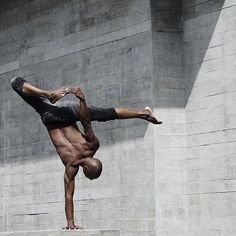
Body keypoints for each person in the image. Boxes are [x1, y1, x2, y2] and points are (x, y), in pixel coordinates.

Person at [11, 76, 162, 230]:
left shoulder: (91, 147)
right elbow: (68, 195)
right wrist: (70, 223)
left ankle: (142, 114)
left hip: (70, 113)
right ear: (85, 170)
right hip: (50, 118)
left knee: (106, 114)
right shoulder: (71, 165)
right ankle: (46, 94)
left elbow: (86, 123)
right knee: (15, 84)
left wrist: (81, 98)